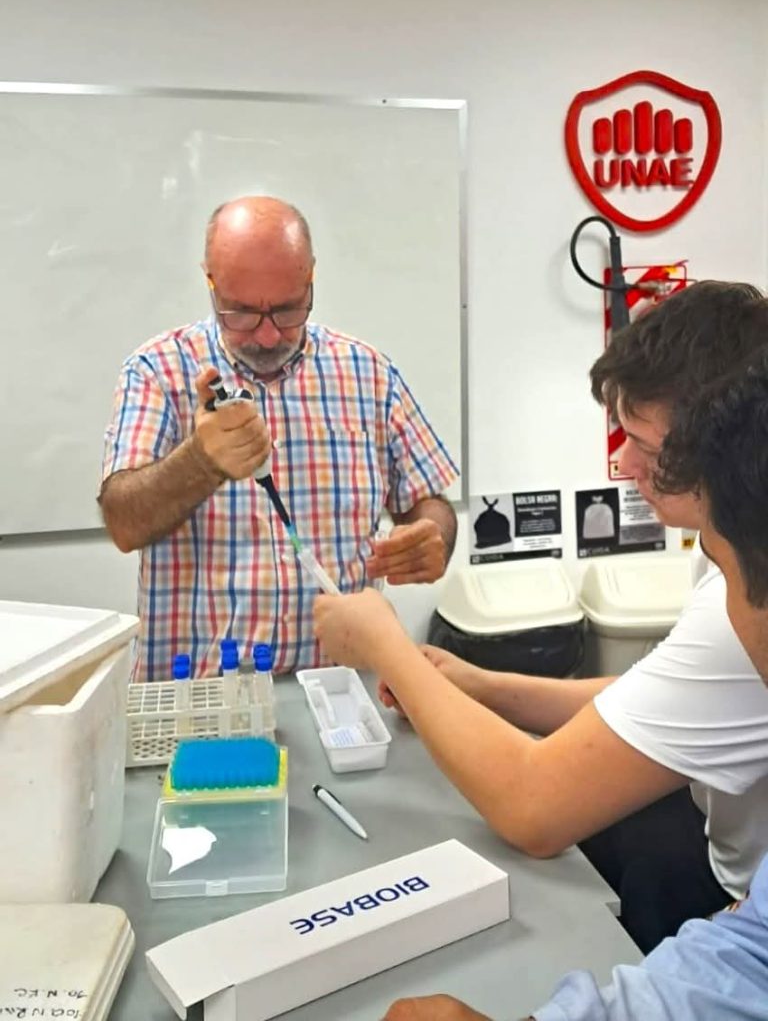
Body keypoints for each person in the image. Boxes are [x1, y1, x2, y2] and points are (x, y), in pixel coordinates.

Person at [316, 343, 768, 1020]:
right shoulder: (728, 551)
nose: (621, 462)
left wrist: (387, 645)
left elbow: (534, 806)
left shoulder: (736, 594)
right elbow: (741, 955)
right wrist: (479, 684)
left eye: (643, 440)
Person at [100, 196, 458, 681]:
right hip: (201, 700)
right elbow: (123, 522)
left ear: (311, 276)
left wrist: (433, 537)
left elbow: (429, 503)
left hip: (339, 690)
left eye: (288, 310)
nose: (268, 336)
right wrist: (200, 462)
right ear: (210, 282)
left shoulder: (369, 374)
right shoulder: (158, 371)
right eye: (242, 313)